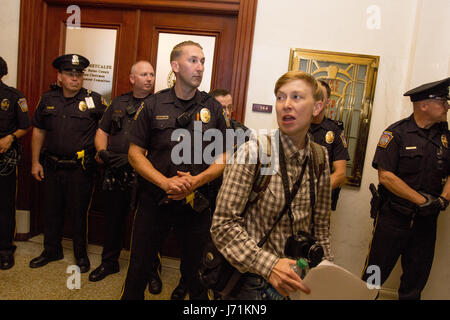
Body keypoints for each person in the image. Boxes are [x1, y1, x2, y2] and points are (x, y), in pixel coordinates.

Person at [210, 71, 333, 300]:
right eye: (280, 97)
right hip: (254, 282)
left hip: (299, 280)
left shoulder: (320, 158)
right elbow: (222, 225)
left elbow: (321, 227)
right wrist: (270, 265)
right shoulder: (253, 152)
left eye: (296, 97)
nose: (286, 105)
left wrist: (325, 272)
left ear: (317, 108)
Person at [121, 40, 228, 300]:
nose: (200, 67)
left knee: (198, 275)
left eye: (203, 61)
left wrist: (196, 181)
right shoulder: (153, 105)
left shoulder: (212, 109)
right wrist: (165, 183)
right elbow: (135, 154)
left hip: (195, 205)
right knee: (138, 270)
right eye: (193, 60)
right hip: (154, 201)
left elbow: (224, 157)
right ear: (175, 65)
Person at [362, 77, 450, 300]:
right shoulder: (396, 134)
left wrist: (443, 199)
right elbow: (387, 177)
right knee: (373, 278)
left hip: (426, 224)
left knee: (415, 283)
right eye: (443, 101)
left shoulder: (445, 137)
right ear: (424, 105)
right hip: (393, 220)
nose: (447, 105)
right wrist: (422, 200)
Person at [29, 54, 108, 273]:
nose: (75, 78)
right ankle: (51, 250)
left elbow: (107, 129)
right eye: (70, 74)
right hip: (52, 165)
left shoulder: (95, 100)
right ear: (60, 76)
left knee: (79, 213)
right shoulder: (48, 99)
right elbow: (38, 130)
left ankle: (81, 255)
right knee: (51, 210)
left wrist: (103, 152)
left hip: (80, 168)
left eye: (79, 75)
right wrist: (35, 161)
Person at [89, 61, 163, 289]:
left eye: (151, 74)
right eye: (144, 74)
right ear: (132, 78)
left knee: (148, 226)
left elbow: (163, 143)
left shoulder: (159, 105)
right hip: (115, 172)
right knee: (113, 220)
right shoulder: (119, 102)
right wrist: (102, 152)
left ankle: (151, 271)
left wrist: (136, 158)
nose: (149, 78)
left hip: (145, 175)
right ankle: (109, 262)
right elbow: (102, 131)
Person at [0, 56, 31, 270]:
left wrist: (10, 137)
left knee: (4, 206)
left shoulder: (13, 97)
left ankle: (4, 249)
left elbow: (25, 126)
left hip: (4, 161)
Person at [309, 80, 349, 210]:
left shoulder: (335, 131)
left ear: (327, 102)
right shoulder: (295, 126)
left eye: (320, 97)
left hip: (319, 202)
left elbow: (341, 173)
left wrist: (311, 193)